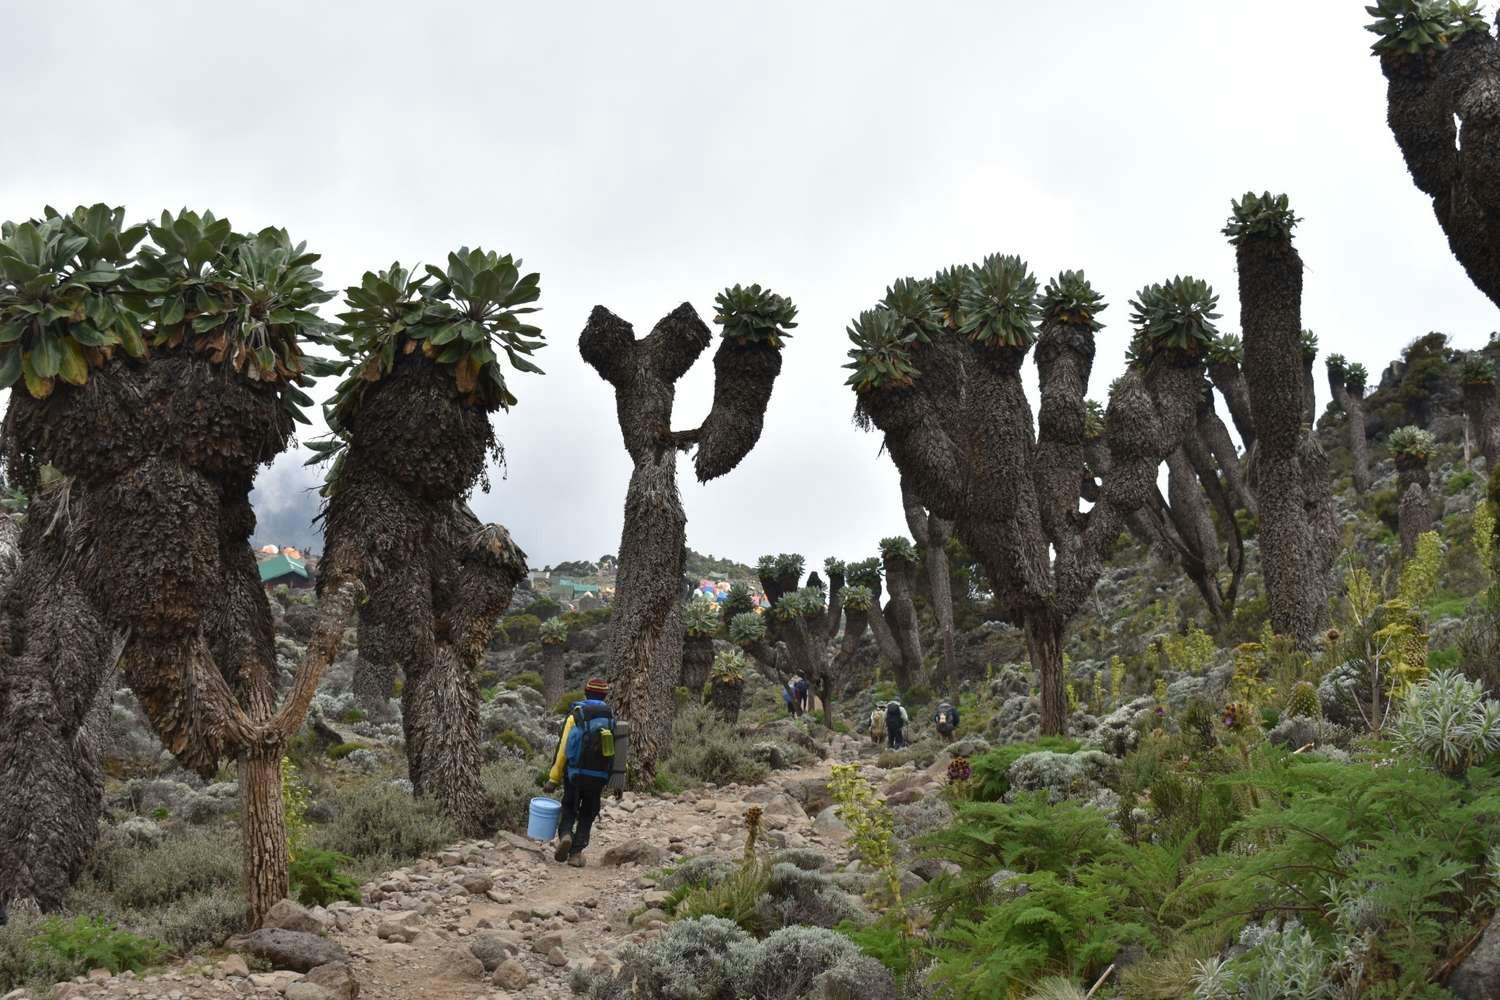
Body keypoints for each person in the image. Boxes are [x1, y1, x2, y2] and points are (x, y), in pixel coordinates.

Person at [543, 677, 615, 868]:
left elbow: (563, 750)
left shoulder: (576, 714)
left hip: (574, 774)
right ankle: (576, 853)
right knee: (588, 812)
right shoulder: (610, 717)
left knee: (569, 806)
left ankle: (566, 834)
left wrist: (553, 779)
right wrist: (617, 783)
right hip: (599, 776)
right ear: (605, 695)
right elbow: (619, 752)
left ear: (585, 692)